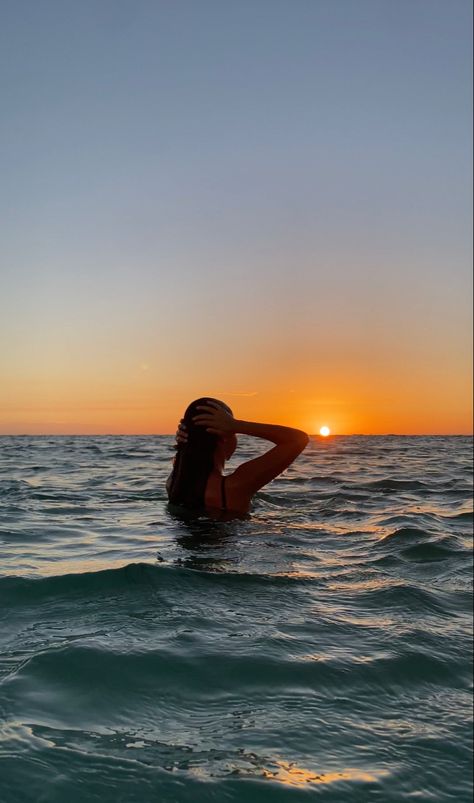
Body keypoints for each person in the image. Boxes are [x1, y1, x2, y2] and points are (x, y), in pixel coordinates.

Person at [166, 397, 309, 518]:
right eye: (232, 430)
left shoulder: (173, 482)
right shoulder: (234, 487)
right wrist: (237, 425)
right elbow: (298, 439)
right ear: (224, 436)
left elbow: (186, 458)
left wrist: (186, 440)